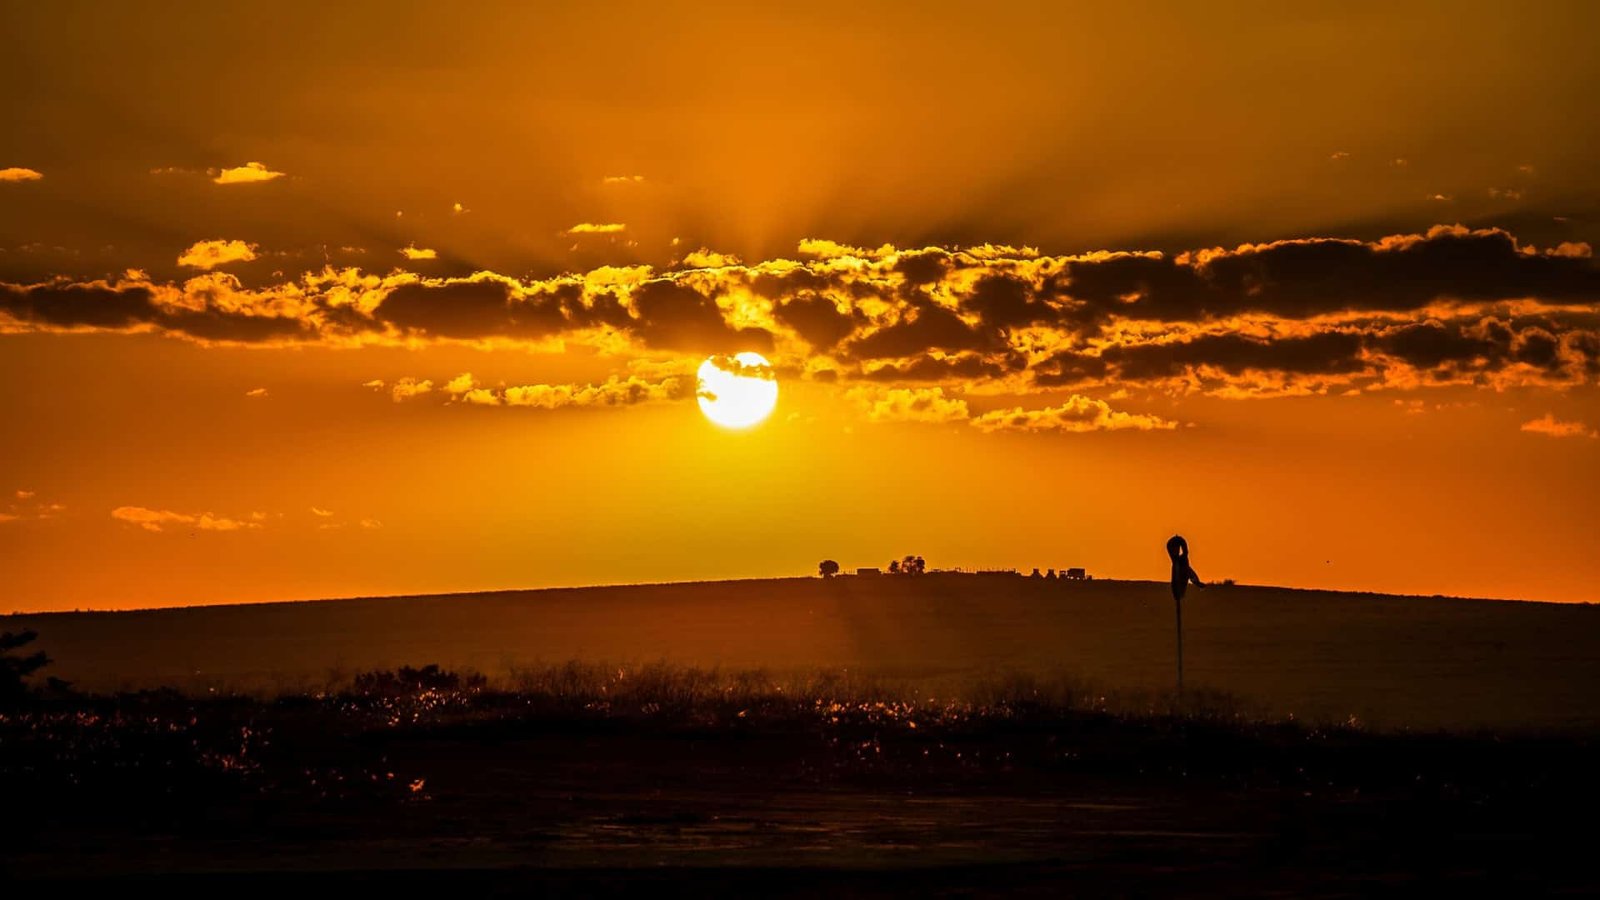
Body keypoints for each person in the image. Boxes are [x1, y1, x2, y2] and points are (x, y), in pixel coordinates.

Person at [1167, 534, 1204, 602]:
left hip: (1181, 568)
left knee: (1178, 562)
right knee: (1179, 562)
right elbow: (1190, 574)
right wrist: (1197, 583)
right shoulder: (1181, 564)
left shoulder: (1180, 564)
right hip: (1181, 569)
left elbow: (1190, 574)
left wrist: (1197, 583)